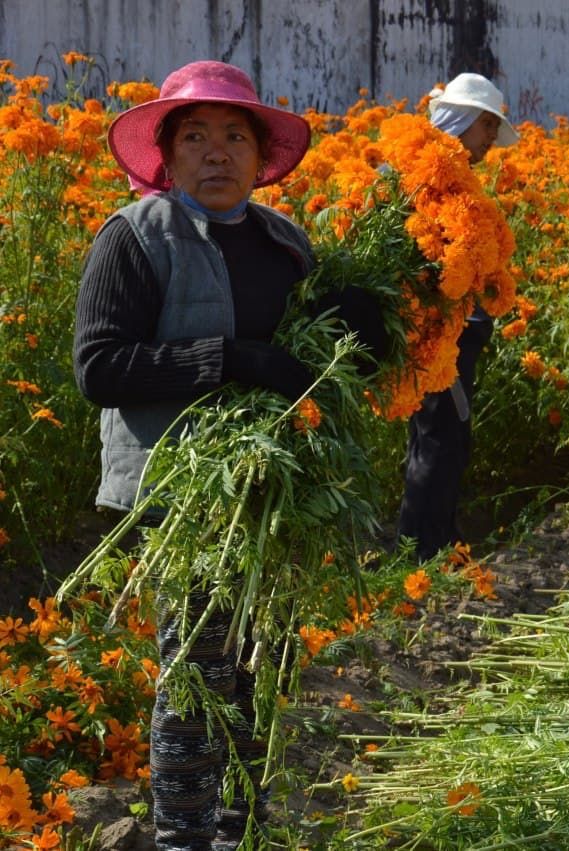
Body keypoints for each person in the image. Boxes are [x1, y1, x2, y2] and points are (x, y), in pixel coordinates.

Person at [74, 60, 324, 850]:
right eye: (196, 137)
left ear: (259, 154)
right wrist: (230, 359)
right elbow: (99, 367)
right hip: (179, 488)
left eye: (234, 136)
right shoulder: (134, 237)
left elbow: (316, 356)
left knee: (263, 668)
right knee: (199, 674)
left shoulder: (286, 244)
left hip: (271, 486)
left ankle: (239, 832)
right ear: (168, 154)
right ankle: (182, 836)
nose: (217, 153)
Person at [396, 72, 519, 561]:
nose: (491, 138)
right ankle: (421, 555)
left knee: (439, 440)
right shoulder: (427, 179)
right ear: (462, 121)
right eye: (487, 126)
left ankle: (433, 543)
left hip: (447, 332)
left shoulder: (450, 180)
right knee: (440, 442)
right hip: (435, 337)